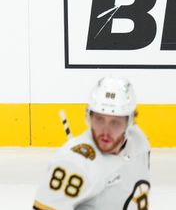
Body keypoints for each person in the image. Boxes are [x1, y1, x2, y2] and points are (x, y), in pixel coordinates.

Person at [33, 76, 150, 209]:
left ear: (130, 123)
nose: (105, 132)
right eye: (99, 119)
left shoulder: (139, 143)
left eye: (115, 122)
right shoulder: (73, 164)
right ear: (89, 117)